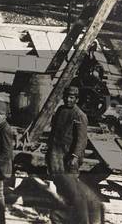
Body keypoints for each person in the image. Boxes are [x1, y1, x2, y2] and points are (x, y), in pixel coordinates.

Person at [48, 84, 92, 224]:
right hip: (57, 155)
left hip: (69, 158)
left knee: (72, 190)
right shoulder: (60, 110)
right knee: (60, 186)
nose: (68, 99)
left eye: (72, 97)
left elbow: (81, 140)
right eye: (66, 96)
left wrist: (75, 156)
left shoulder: (80, 115)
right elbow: (54, 132)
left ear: (77, 99)